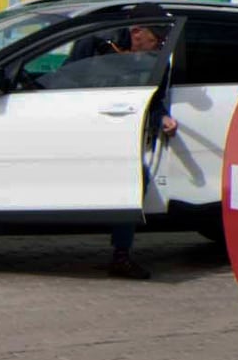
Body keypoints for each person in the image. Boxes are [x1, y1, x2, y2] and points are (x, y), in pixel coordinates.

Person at [70, 14, 174, 280]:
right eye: (156, 39)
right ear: (137, 31)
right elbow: (66, 78)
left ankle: (121, 256)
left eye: (163, 40)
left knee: (136, 180)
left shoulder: (156, 62)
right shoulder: (93, 45)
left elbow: (155, 101)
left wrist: (162, 118)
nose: (159, 45)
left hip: (120, 138)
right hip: (79, 131)